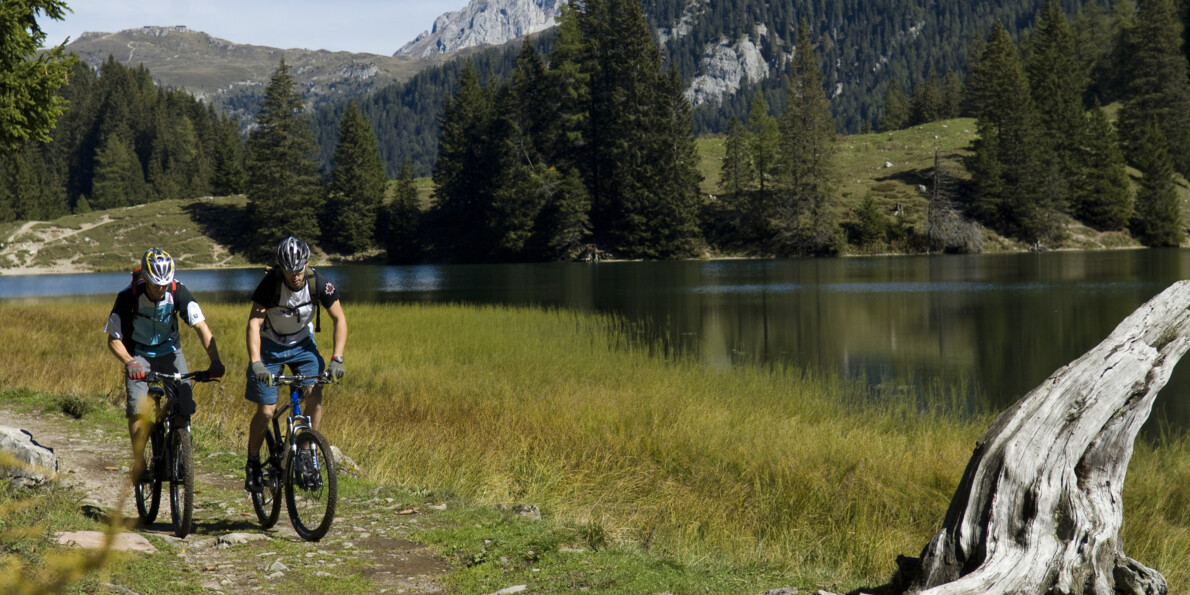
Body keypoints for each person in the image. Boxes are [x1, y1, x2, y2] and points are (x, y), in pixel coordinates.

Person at [104, 247, 225, 484]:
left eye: (165, 284)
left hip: (170, 352)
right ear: (146, 279)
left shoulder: (178, 291)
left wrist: (215, 360)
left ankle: (179, 454)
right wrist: (130, 362)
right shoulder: (128, 297)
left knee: (183, 405)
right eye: (156, 284)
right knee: (138, 408)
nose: (161, 289)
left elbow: (201, 326)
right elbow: (113, 340)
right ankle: (139, 462)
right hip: (138, 354)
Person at [243, 236, 347, 492]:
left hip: (303, 346)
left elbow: (340, 319)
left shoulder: (318, 282)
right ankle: (253, 462)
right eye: (289, 272)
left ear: (307, 264)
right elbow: (254, 324)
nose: (295, 276)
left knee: (315, 391)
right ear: (281, 268)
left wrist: (337, 359)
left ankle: (306, 450)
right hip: (271, 347)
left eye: (299, 270)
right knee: (267, 411)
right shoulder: (271, 284)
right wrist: (256, 363)